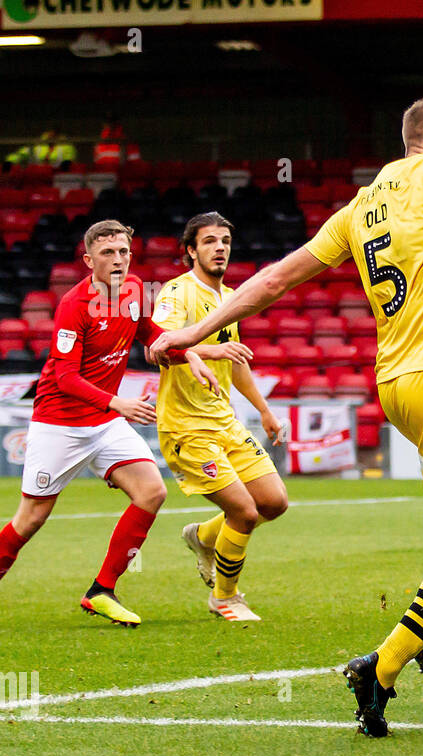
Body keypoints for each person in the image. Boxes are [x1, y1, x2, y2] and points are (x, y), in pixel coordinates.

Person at [149, 97, 423, 734]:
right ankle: (381, 667)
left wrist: (197, 328)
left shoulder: (363, 203)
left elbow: (275, 279)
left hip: (399, 382)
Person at [0, 220, 214, 628]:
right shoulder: (74, 306)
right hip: (60, 424)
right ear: (88, 259)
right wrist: (119, 404)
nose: (118, 260)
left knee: (151, 492)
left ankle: (102, 591)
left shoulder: (132, 291)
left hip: (105, 421)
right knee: (32, 518)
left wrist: (192, 353)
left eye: (124, 252)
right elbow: (65, 378)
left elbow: (150, 333)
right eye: (108, 253)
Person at [153, 211, 289, 622]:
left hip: (225, 421)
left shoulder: (229, 298)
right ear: (191, 250)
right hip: (186, 427)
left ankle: (202, 536)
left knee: (274, 502)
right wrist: (206, 351)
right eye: (210, 241)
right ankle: (225, 597)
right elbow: (158, 346)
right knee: (245, 512)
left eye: (225, 242)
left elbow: (238, 360)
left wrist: (264, 411)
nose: (220, 249)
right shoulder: (177, 294)